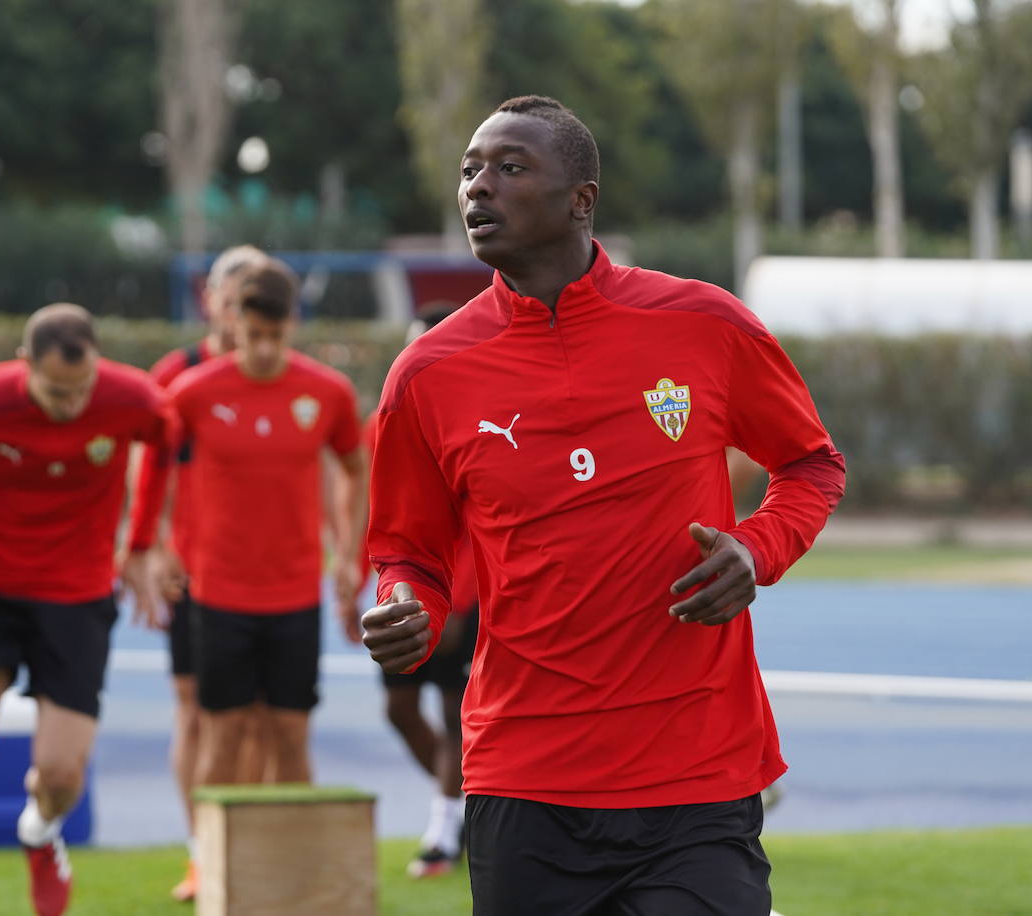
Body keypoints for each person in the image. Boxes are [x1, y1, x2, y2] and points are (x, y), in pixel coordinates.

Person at [361, 96, 846, 915]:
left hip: (696, 770)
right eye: (470, 170)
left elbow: (810, 464)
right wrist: (405, 604)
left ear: (582, 199)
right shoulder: (427, 374)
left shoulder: (704, 322)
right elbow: (407, 549)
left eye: (510, 168)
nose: (478, 188)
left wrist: (755, 551)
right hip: (525, 778)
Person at [0, 303, 173, 916]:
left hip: (77, 597)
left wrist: (138, 546)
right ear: (24, 363)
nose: (72, 405)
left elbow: (165, 440)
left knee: (59, 779)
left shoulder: (131, 398)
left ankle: (39, 833)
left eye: (82, 389)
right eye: (56, 391)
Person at [134, 259, 366, 886]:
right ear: (233, 323)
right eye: (252, 335)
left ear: (293, 324)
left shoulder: (327, 392)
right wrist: (156, 545)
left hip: (295, 594)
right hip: (219, 594)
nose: (263, 349)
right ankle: (210, 869)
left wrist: (348, 553)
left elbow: (356, 467)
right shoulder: (194, 391)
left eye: (276, 335)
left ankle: (288, 877)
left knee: (290, 735)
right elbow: (150, 464)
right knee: (224, 736)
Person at [145, 244, 270, 903]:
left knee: (257, 717)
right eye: (233, 294)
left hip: (269, 573)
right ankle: (203, 853)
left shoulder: (286, 375)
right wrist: (157, 548)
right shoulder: (179, 374)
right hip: (195, 571)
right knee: (196, 712)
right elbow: (150, 469)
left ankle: (244, 846)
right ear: (212, 301)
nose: (241, 308)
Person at [357, 301, 479, 879]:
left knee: (459, 714)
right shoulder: (387, 414)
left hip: (461, 593)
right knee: (399, 708)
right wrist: (365, 583)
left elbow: (482, 521)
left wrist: (457, 598)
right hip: (404, 588)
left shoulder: (478, 415)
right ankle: (466, 807)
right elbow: (384, 515)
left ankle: (442, 832)